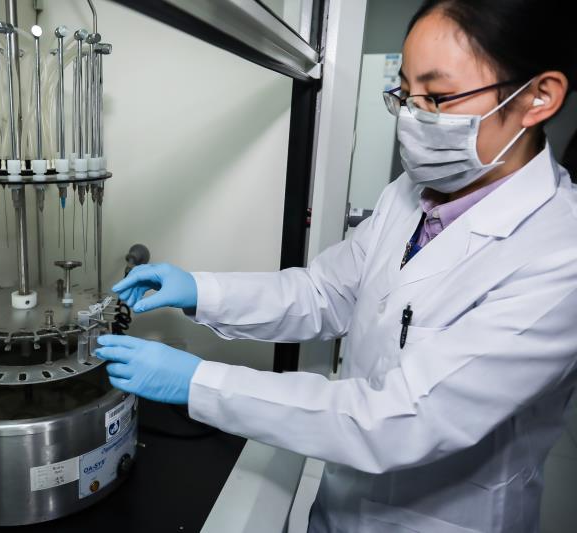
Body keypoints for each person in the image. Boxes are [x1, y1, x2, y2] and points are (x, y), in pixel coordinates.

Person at [96, 0, 577, 531]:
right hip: (341, 502)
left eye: (438, 97)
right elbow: (324, 293)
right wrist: (200, 291)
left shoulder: (559, 256)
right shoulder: (411, 194)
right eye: (405, 95)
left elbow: (398, 419)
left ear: (539, 96)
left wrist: (199, 382)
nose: (414, 118)